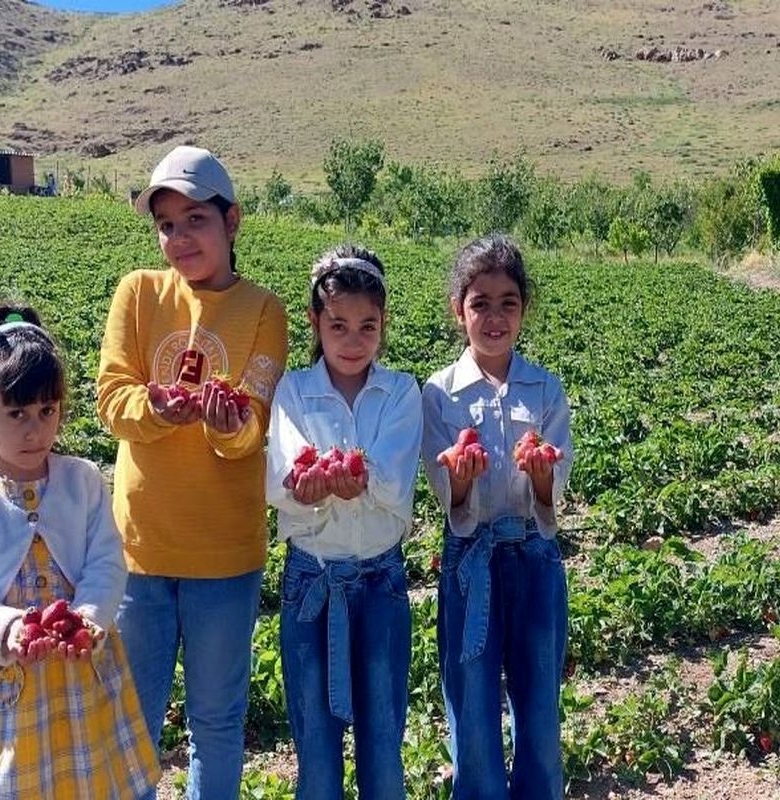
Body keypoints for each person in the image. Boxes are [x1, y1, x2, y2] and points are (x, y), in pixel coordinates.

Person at [96, 145, 288, 799]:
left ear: (231, 221)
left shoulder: (264, 310)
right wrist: (154, 407)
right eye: (167, 224)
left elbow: (256, 420)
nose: (179, 239)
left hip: (226, 559)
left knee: (217, 722)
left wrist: (226, 424)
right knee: (134, 723)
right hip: (139, 554)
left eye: (195, 220)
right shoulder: (138, 293)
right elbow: (111, 400)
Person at [0, 305, 159, 800]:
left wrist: (90, 618)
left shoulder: (83, 481)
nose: (34, 430)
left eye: (46, 411)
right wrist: (7, 630)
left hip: (82, 672)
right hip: (4, 680)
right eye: (17, 414)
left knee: (90, 779)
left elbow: (105, 563)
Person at [266, 245, 422, 798]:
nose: (352, 341)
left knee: (384, 740)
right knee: (316, 747)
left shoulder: (401, 392)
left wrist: (353, 479)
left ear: (383, 325)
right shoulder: (293, 391)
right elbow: (283, 476)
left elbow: (395, 482)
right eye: (338, 325)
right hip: (312, 579)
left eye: (367, 326)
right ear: (315, 321)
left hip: (382, 582)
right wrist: (308, 487)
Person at [421, 235, 573, 800]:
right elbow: (449, 501)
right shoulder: (439, 395)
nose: (494, 315)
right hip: (471, 564)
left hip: (535, 557)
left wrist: (540, 476)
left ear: (523, 310)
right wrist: (459, 483)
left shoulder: (546, 389)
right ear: (458, 309)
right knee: (472, 702)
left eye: (508, 301)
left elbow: (553, 492)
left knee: (539, 701)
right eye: (479, 302)